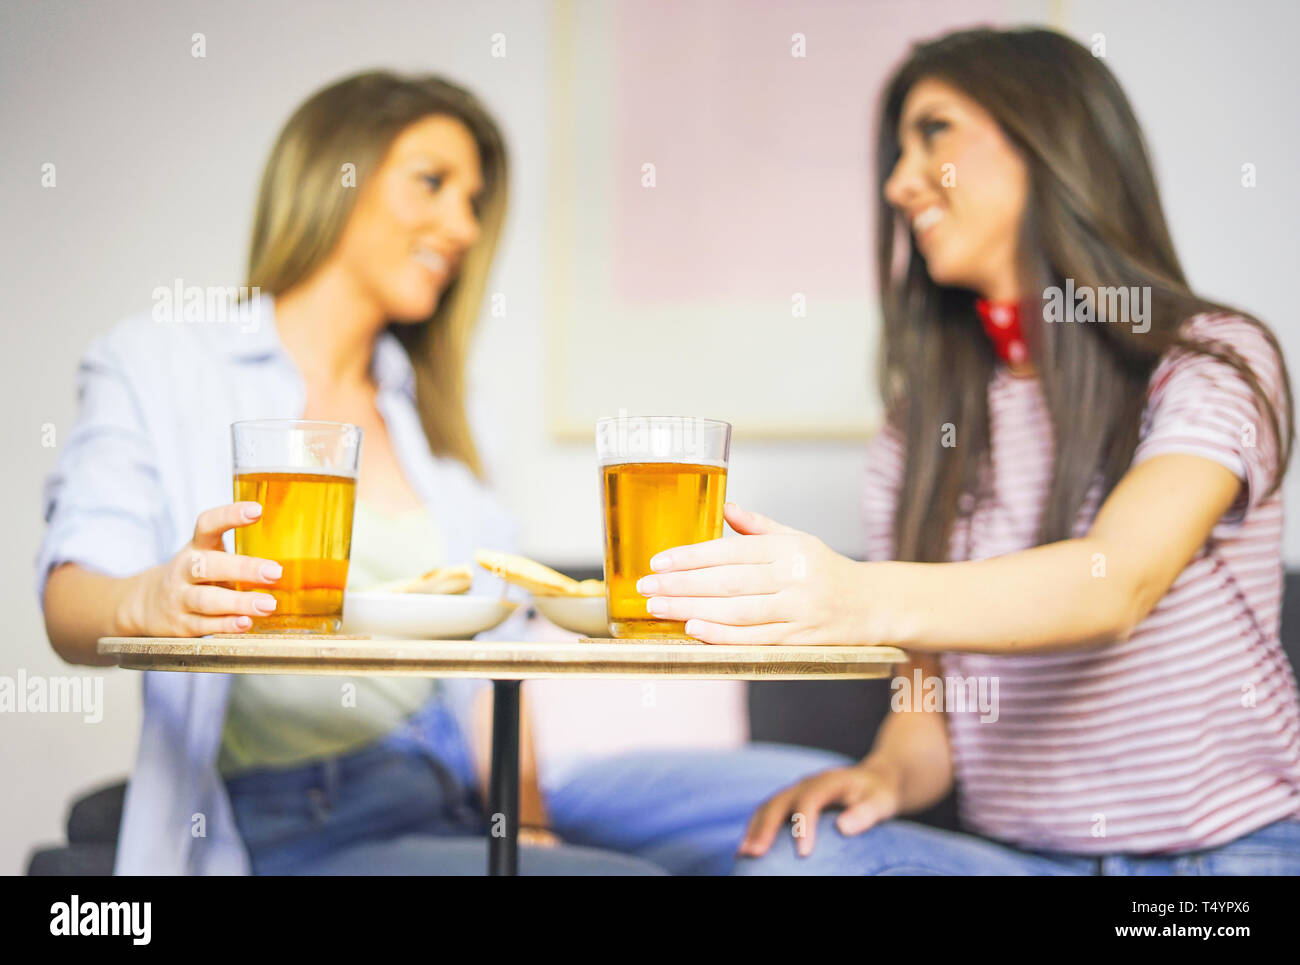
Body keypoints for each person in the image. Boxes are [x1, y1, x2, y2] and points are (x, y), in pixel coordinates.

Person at [37, 70, 838, 876]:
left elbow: (498, 649)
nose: (461, 226)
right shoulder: (162, 363)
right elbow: (71, 601)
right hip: (303, 815)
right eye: (433, 183)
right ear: (331, 174)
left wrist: (523, 823)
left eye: (474, 202)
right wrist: (153, 598)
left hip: (451, 779)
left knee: (804, 800)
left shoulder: (440, 411)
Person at [639, 28, 1300, 874]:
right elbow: (930, 707)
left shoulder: (1211, 359)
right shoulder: (919, 429)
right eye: (898, 149)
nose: (899, 182)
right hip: (1025, 859)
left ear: (1048, 137)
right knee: (799, 859)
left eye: (935, 132)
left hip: (1223, 862)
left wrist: (858, 597)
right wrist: (880, 773)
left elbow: (1120, 580)